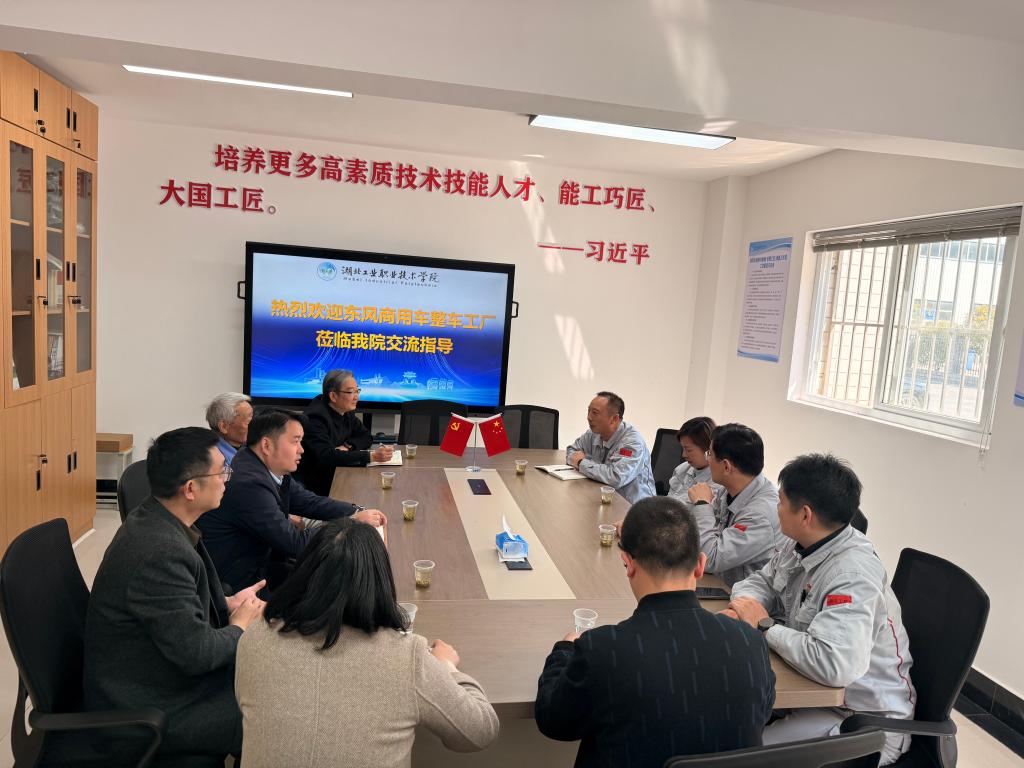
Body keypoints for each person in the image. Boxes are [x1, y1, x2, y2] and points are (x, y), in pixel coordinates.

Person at [235, 517, 500, 767]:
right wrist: (447, 668)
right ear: (379, 580)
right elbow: (480, 731)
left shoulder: (254, 638)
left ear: (304, 571)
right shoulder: (407, 657)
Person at [535, 496, 775, 766]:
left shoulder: (603, 650)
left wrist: (565, 650)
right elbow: (761, 714)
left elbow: (553, 720)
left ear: (628, 563)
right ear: (700, 565)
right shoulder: (751, 642)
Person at [84, 427, 265, 763]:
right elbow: (198, 653)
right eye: (222, 471)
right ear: (191, 489)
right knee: (273, 713)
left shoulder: (162, 519)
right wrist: (240, 625)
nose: (227, 479)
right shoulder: (158, 553)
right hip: (151, 703)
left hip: (158, 672)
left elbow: (178, 603)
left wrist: (226, 604)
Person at [726, 454, 915, 765]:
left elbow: (834, 664)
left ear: (805, 515)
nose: (775, 508)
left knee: (740, 757)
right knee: (723, 725)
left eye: (780, 502)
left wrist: (763, 625)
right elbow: (760, 581)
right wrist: (743, 609)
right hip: (812, 692)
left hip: (861, 721)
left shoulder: (851, 576)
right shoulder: (802, 542)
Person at [197, 408, 386, 592]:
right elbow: (295, 543)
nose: (301, 450)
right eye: (295, 441)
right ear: (266, 445)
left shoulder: (264, 465)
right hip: (243, 585)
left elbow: (309, 502)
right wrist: (351, 523)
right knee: (345, 582)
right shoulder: (249, 484)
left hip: (267, 564)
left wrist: (357, 511)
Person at [687, 423, 782, 586]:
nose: (707, 459)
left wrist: (702, 504)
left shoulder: (761, 514)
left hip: (742, 595)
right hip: (721, 583)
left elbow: (708, 559)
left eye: (709, 454)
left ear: (726, 466)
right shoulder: (730, 489)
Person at [296, 369, 394, 496]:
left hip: (339, 472)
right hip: (317, 485)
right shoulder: (315, 418)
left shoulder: (345, 410)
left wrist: (348, 446)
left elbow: (366, 436)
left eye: (357, 391)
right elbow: (327, 456)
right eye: (350, 392)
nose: (356, 397)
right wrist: (371, 456)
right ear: (333, 396)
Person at [566, 391, 655, 503]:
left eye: (595, 413)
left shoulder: (633, 443)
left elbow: (616, 477)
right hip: (602, 498)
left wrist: (580, 463)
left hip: (633, 506)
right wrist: (576, 459)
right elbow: (571, 450)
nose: (589, 417)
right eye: (588, 411)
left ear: (614, 419)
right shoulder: (593, 433)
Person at [667, 416, 720, 505]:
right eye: (683, 448)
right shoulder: (681, 469)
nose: (683, 455)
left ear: (709, 448)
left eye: (689, 450)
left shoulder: (719, 480)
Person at [205, 392, 253, 466]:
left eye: (253, 416)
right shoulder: (220, 464)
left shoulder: (246, 447)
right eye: (248, 421)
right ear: (224, 427)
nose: (254, 424)